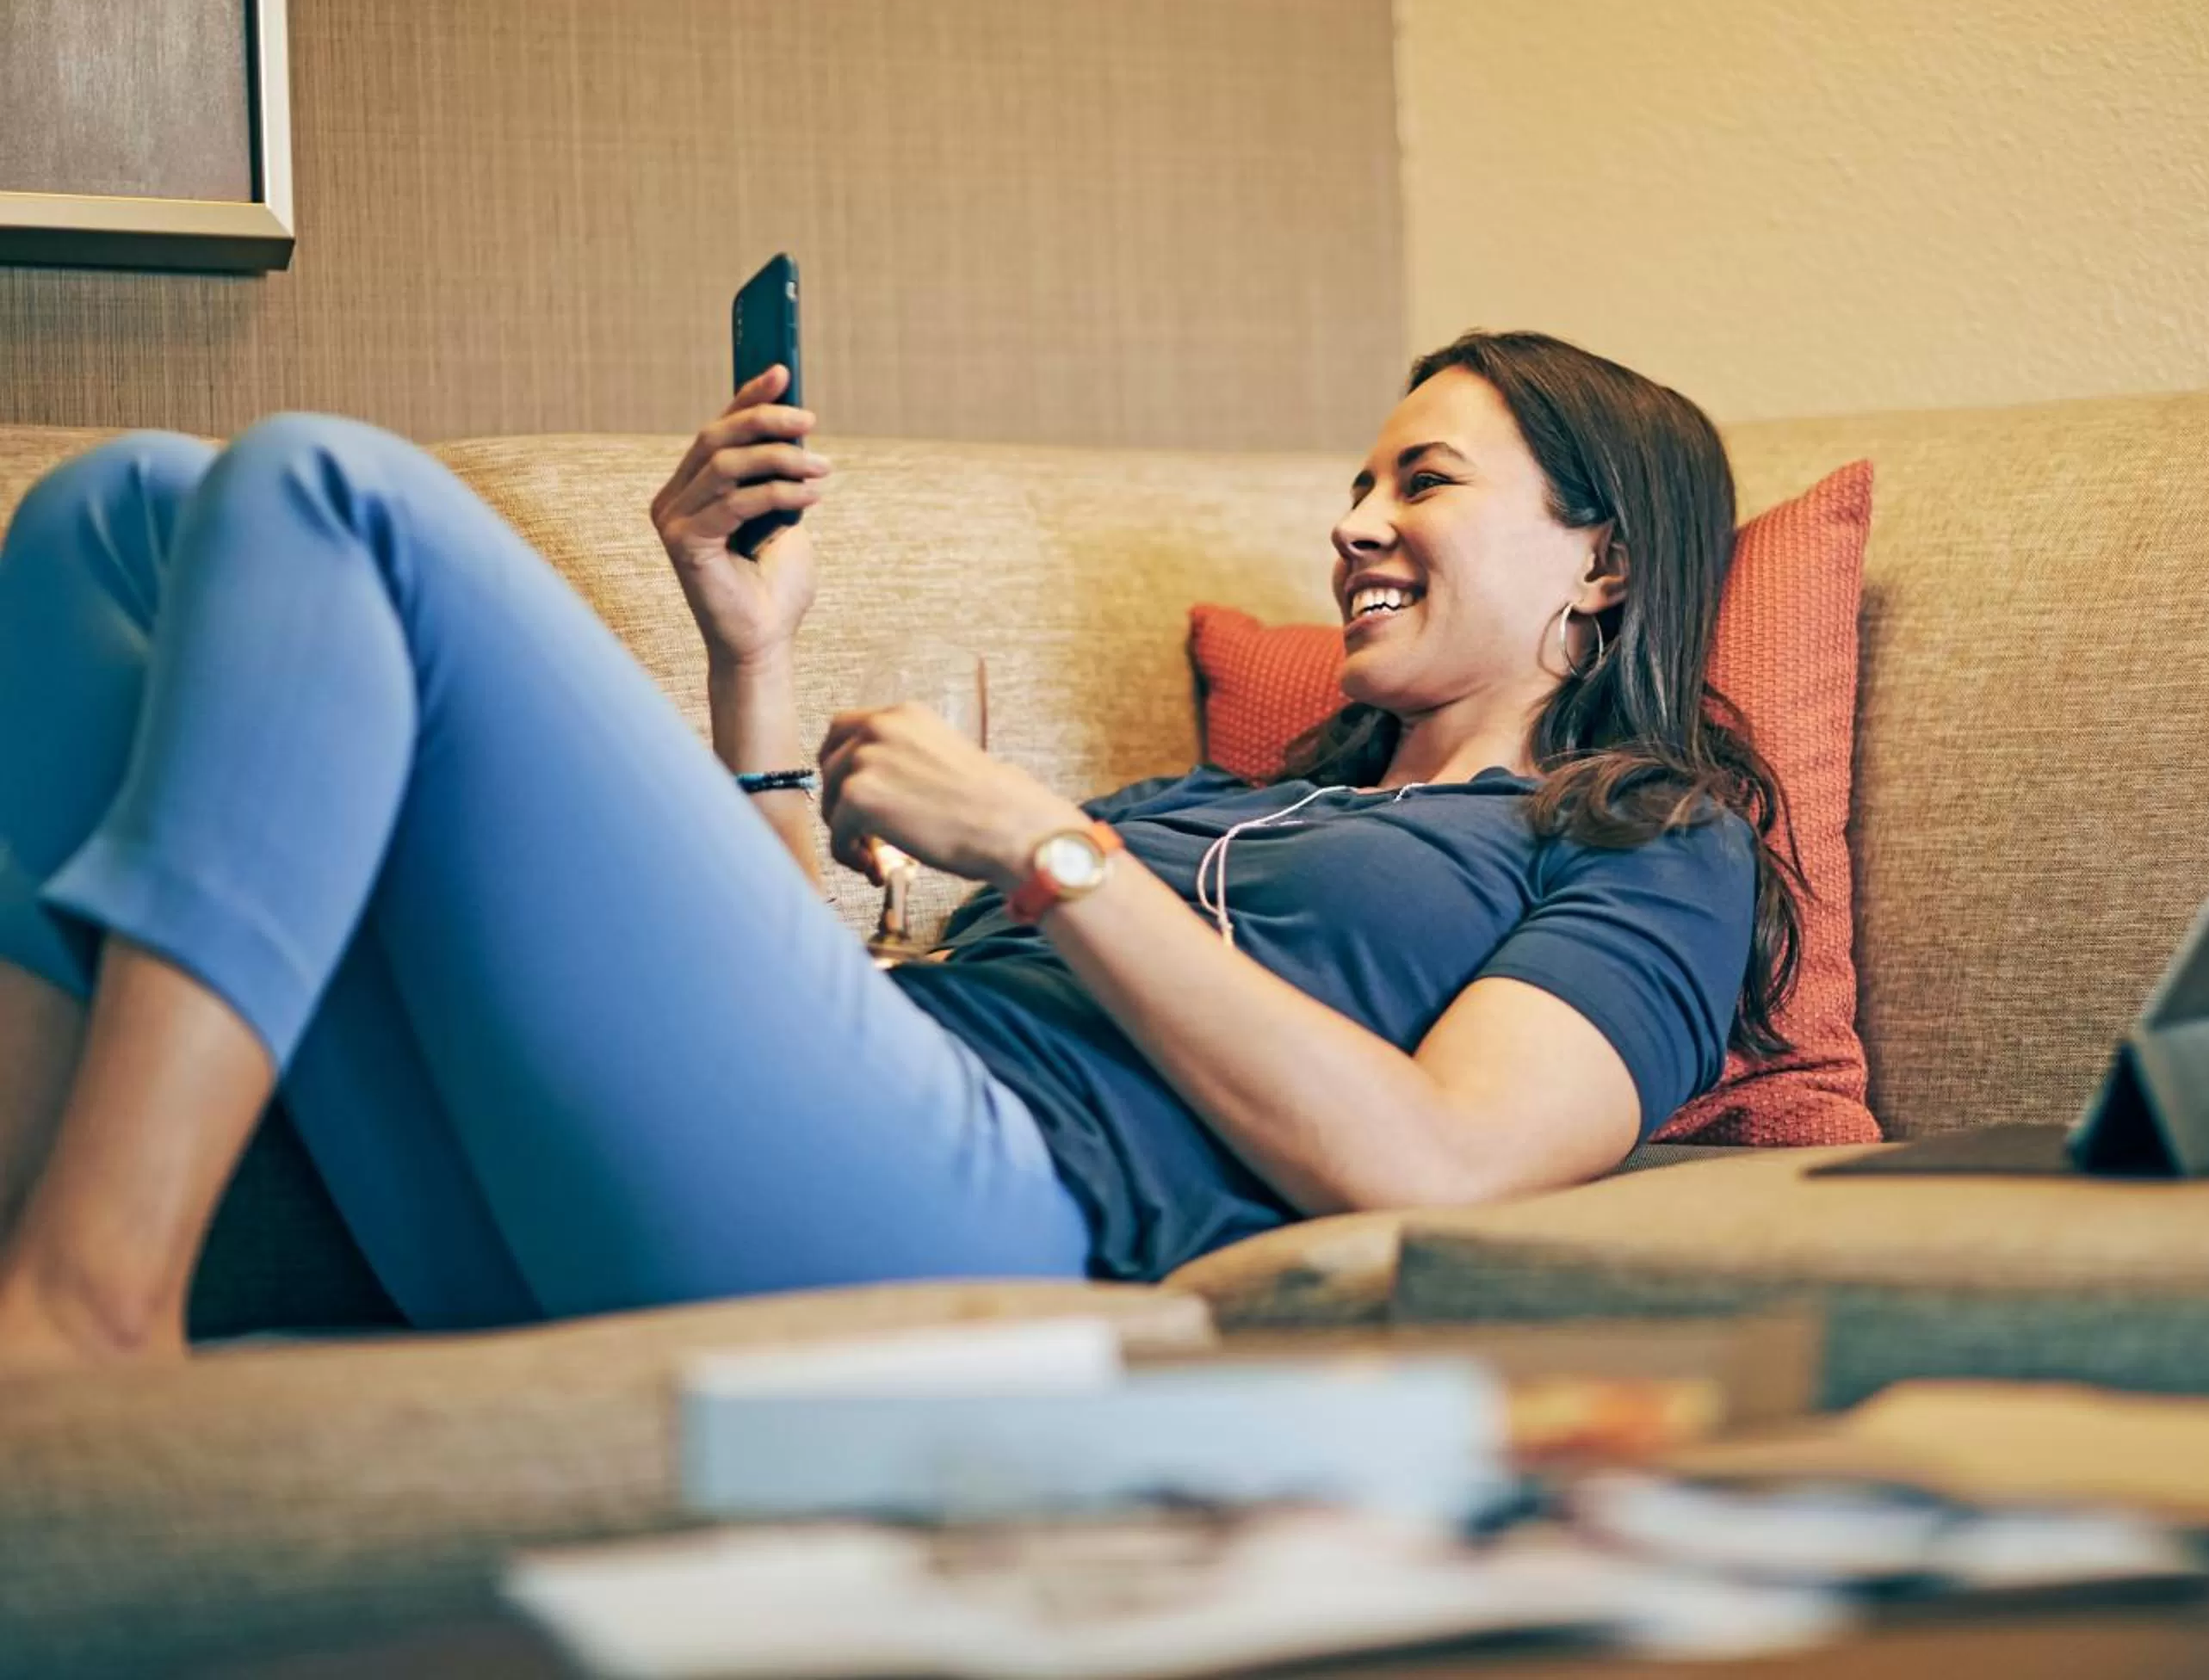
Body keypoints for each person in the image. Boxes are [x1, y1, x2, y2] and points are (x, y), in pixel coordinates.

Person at [0, 330, 1800, 1374]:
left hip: (980, 1217)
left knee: (326, 486)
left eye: (1422, 483)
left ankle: (84, 1312)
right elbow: (811, 1017)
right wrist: (749, 654)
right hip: (699, 1183)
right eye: (1358, 483)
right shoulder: (1245, 798)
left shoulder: (1657, 844)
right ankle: (47, 1256)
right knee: (113, 511)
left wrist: (1049, 852)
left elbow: (1452, 1160)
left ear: (1606, 561)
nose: (1351, 527)